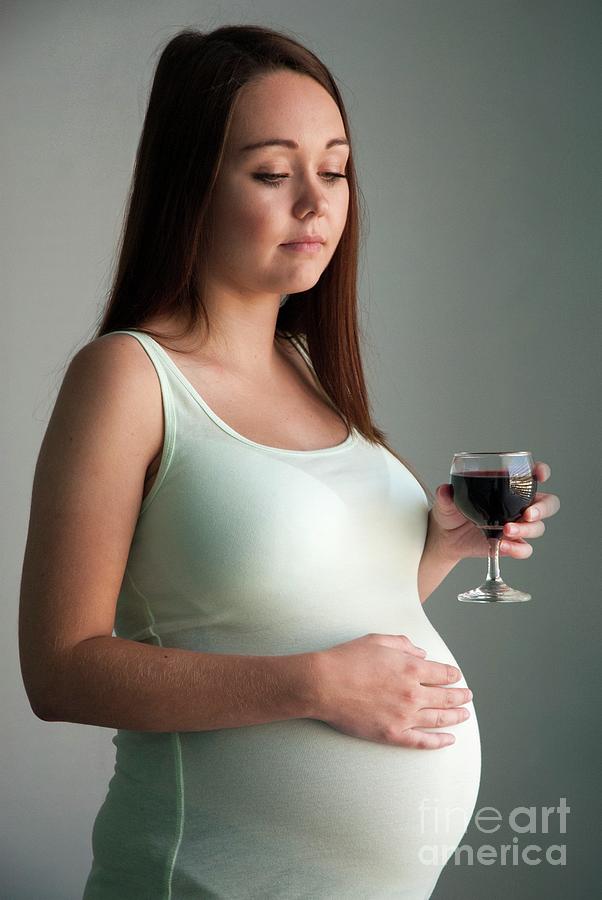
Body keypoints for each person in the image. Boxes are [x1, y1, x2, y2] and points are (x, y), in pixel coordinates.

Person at [18, 24, 560, 899]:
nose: (317, 202)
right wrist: (310, 687)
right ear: (189, 187)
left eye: (335, 169)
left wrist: (442, 549)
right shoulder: (129, 377)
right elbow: (59, 669)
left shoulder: (309, 373)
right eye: (273, 173)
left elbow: (294, 606)